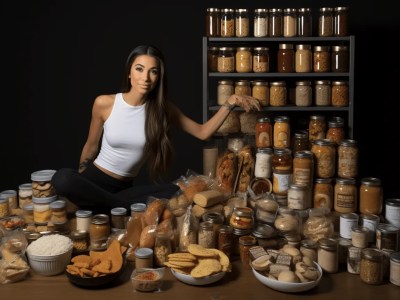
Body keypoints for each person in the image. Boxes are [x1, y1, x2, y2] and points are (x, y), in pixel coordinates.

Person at [51, 44, 261, 213]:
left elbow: (202, 132)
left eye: (153, 72)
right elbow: (90, 146)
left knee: (173, 191)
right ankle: (117, 207)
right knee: (63, 178)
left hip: (124, 189)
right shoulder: (104, 103)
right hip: (93, 181)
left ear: (159, 77)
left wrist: (230, 102)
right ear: (129, 73)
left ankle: (110, 206)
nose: (145, 78)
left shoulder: (162, 110)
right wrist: (80, 186)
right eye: (139, 69)